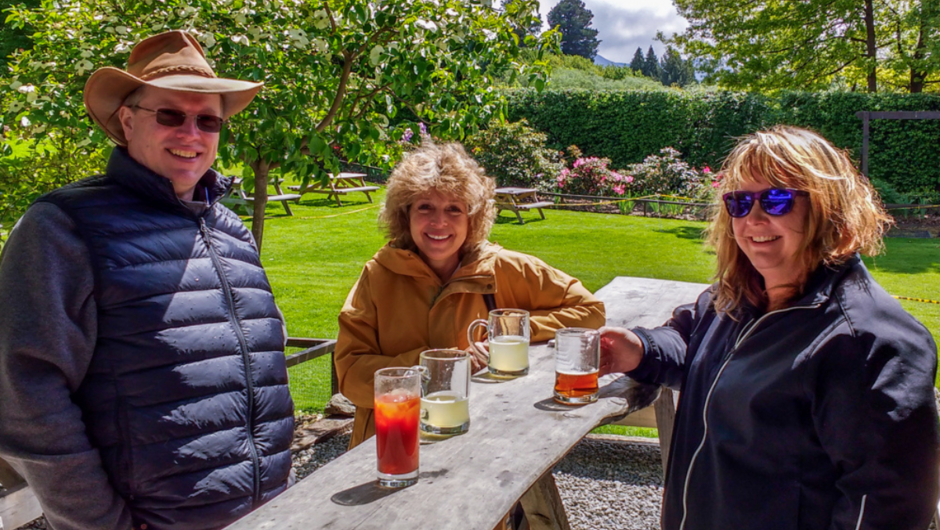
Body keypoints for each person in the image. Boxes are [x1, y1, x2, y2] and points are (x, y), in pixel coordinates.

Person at [0, 31, 294, 530]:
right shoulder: (63, 227)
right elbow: (24, 397)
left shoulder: (231, 230)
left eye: (208, 120)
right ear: (127, 120)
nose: (192, 133)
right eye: (171, 115)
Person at [599, 126, 939, 530]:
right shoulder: (737, 297)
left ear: (827, 208)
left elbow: (888, 507)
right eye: (740, 202)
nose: (753, 218)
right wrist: (640, 348)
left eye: (777, 200)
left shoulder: (867, 343)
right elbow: (691, 341)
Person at [335, 142, 606, 448]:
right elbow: (350, 373)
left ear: (473, 218)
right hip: (393, 443)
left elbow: (590, 310)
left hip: (486, 439)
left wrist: (513, 331)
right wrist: (431, 370)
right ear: (404, 214)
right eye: (425, 207)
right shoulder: (378, 275)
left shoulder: (505, 267)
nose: (440, 222)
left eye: (454, 209)